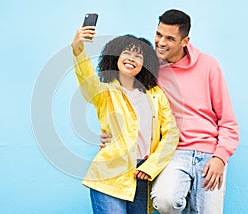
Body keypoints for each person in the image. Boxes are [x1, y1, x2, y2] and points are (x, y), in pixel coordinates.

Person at [100, 9, 239, 214]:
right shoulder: (149, 69)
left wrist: (220, 157)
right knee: (165, 201)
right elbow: (130, 104)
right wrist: (112, 134)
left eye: (170, 38)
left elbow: (228, 120)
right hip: (172, 153)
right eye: (158, 35)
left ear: (185, 40)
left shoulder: (209, 65)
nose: (161, 42)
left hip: (209, 153)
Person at [71, 24, 179, 214]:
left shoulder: (156, 95)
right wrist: (78, 48)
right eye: (127, 53)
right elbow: (86, 78)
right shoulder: (104, 91)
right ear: (116, 57)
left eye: (139, 56)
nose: (131, 59)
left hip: (143, 176)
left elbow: (171, 134)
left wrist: (151, 166)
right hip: (109, 176)